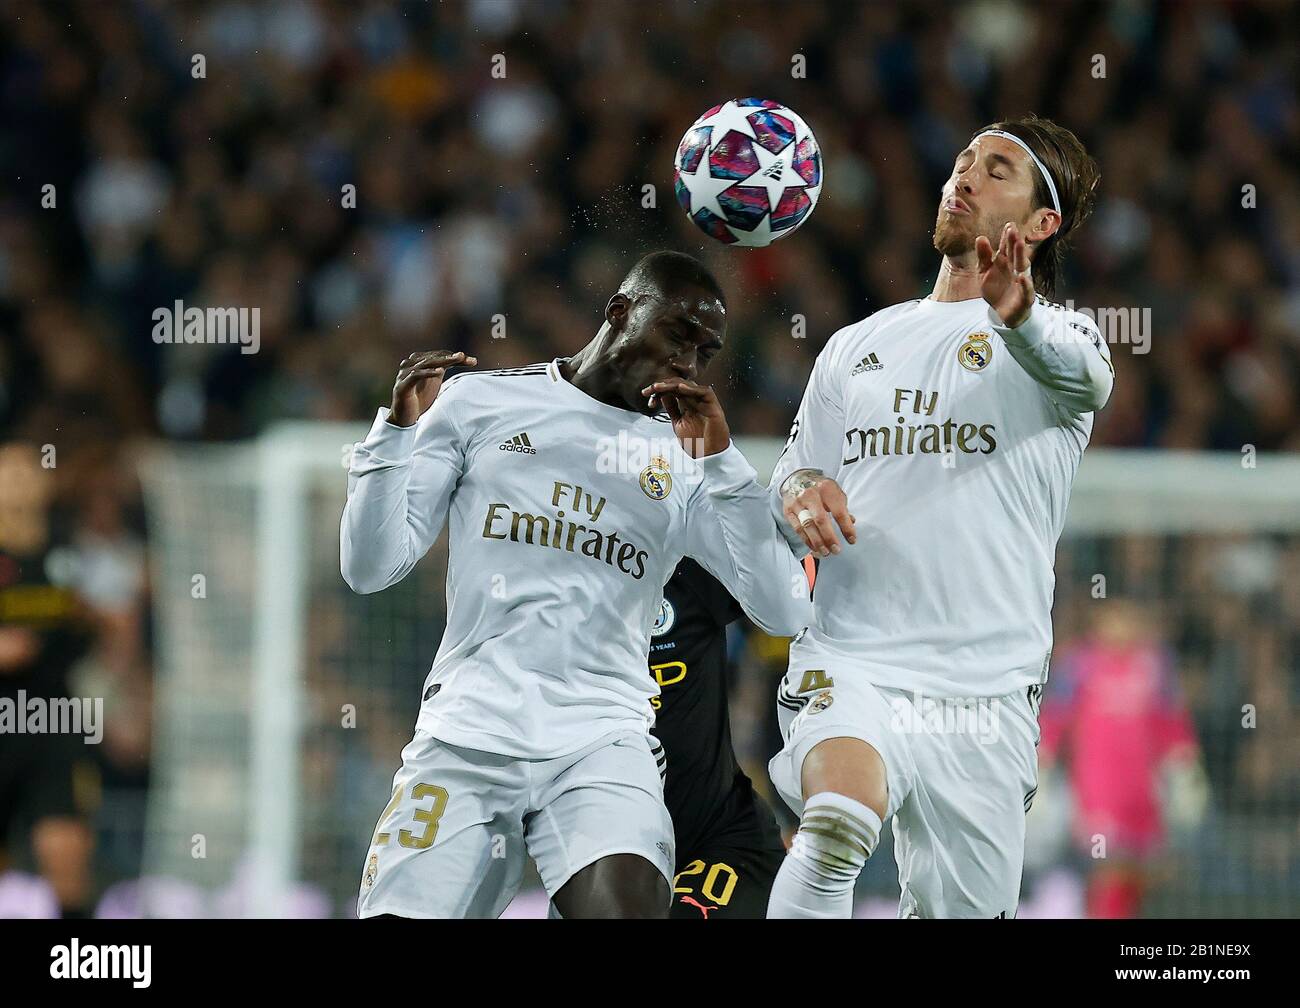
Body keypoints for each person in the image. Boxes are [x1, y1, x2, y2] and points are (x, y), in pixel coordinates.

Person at [341, 251, 809, 919]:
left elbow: (784, 610)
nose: (687, 362)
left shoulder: (683, 458)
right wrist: (392, 438)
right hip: (469, 733)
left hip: (601, 744)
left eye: (705, 353)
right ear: (620, 311)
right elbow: (370, 567)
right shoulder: (481, 403)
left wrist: (724, 464)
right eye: (678, 334)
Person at [767, 115, 1113, 918]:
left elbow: (1087, 378)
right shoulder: (858, 345)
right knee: (836, 824)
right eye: (963, 160)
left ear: (1042, 223)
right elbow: (795, 469)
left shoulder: (1060, 341)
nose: (965, 177)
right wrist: (801, 491)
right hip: (856, 658)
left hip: (987, 694)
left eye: (997, 170)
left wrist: (1017, 312)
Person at [650, 558, 788, 919]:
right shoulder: (553, 594)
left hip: (720, 836)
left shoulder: (683, 565)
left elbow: (786, 607)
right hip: (606, 841)